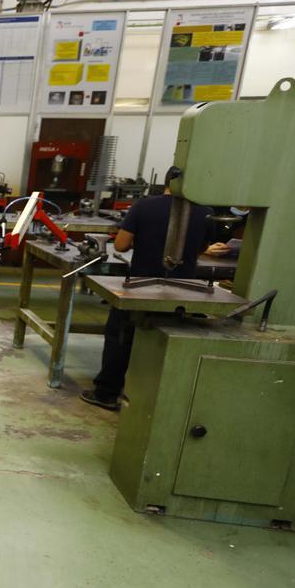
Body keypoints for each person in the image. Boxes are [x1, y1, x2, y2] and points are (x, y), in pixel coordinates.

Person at [81, 167, 212, 411]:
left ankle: (107, 393)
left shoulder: (143, 206)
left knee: (121, 337)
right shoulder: (205, 212)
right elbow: (201, 249)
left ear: (165, 182)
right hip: (184, 290)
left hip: (141, 287)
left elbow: (120, 246)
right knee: (169, 340)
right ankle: (160, 400)